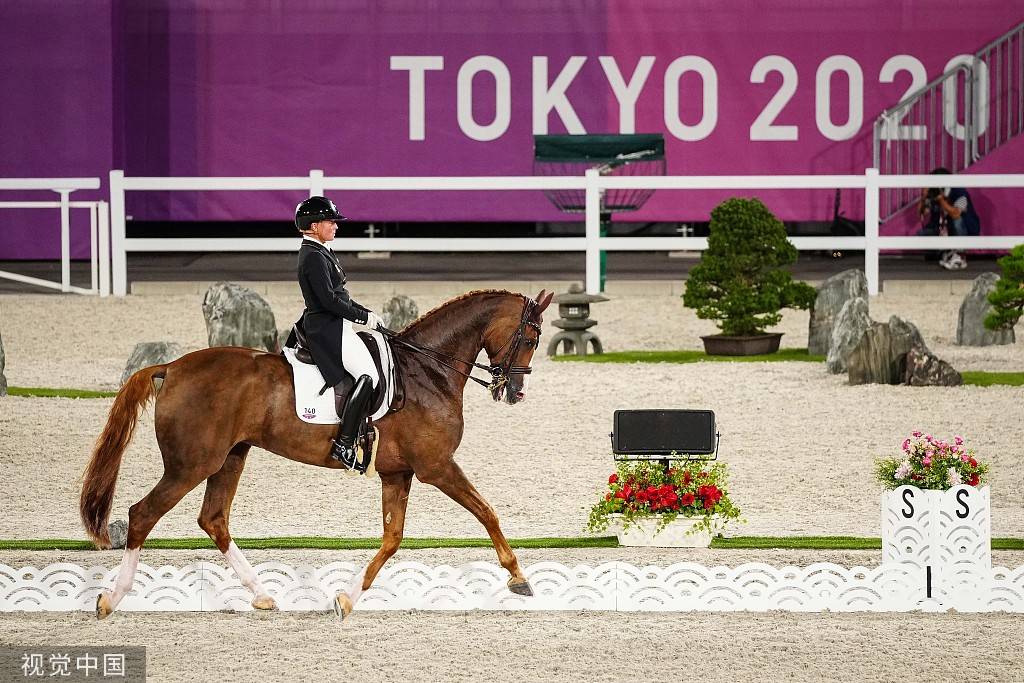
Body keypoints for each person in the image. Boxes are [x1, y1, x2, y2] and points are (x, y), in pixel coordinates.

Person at [292, 196, 383, 468]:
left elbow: (339, 295)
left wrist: (366, 314)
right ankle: (344, 444)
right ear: (313, 225)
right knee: (369, 376)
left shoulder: (321, 251)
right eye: (330, 222)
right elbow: (329, 301)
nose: (335, 226)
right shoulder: (312, 257)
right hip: (325, 328)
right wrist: (360, 317)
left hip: (334, 322)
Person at [917, 167, 981, 271]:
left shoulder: (959, 192)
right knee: (921, 235)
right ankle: (945, 252)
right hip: (942, 229)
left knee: (957, 220)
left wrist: (941, 200)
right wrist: (923, 197)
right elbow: (922, 213)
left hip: (965, 229)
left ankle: (959, 254)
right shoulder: (935, 193)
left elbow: (956, 214)